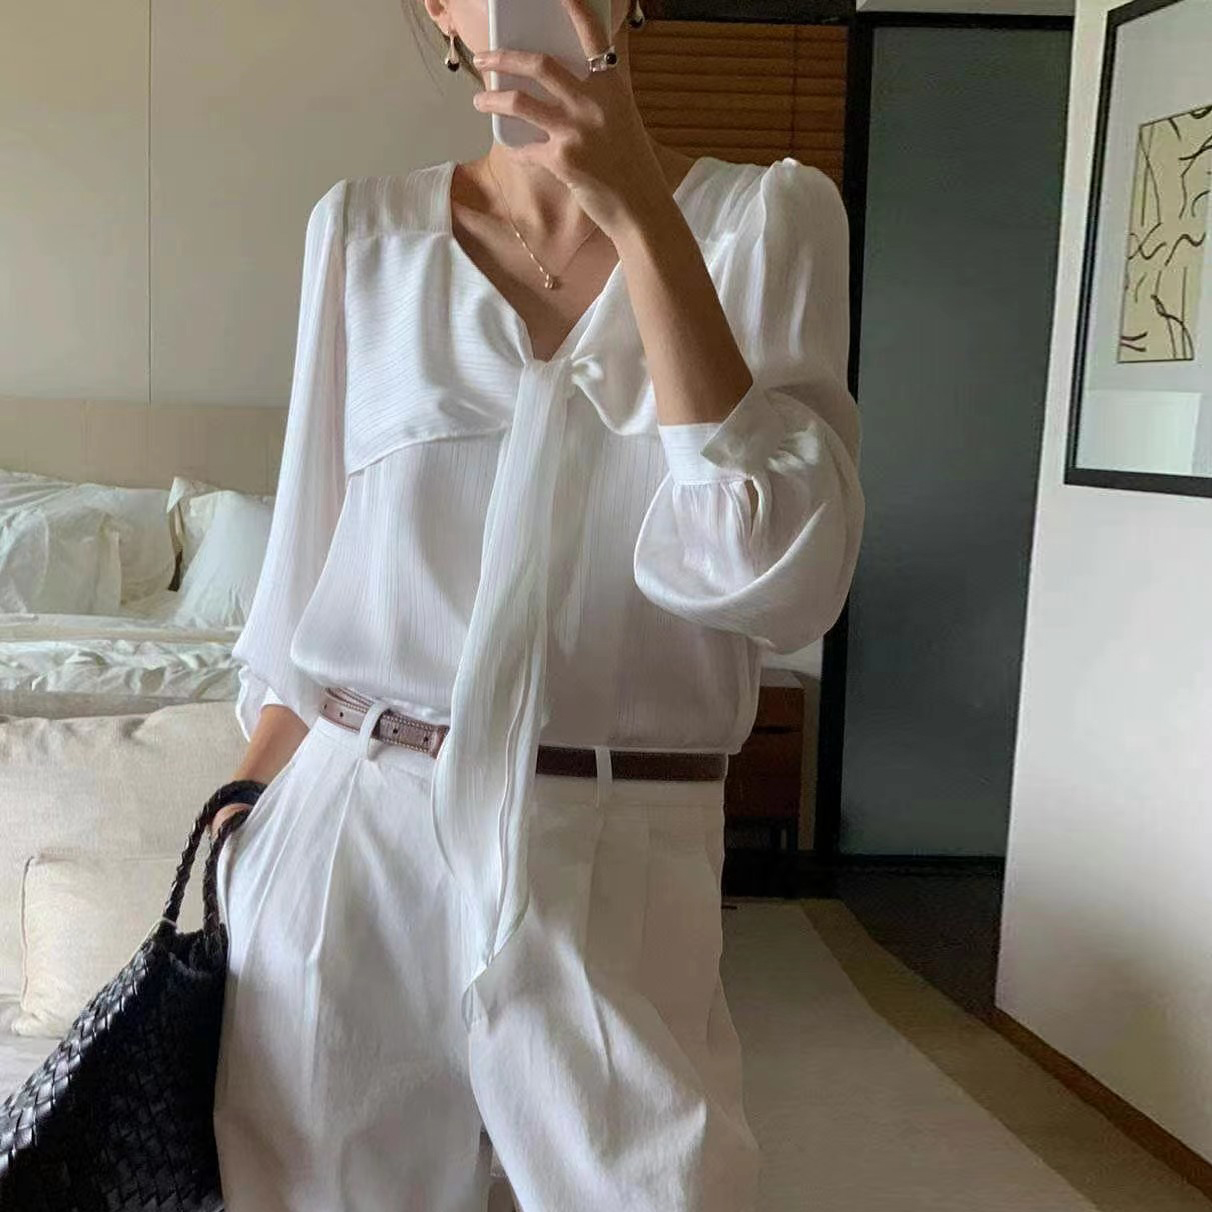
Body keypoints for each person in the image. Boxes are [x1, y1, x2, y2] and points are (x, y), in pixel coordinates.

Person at [207, 0, 865, 1208]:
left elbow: (776, 577)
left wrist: (642, 213)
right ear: (439, 11)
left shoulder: (769, 220)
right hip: (355, 841)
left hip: (619, 854)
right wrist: (236, 835)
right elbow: (297, 588)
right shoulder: (363, 234)